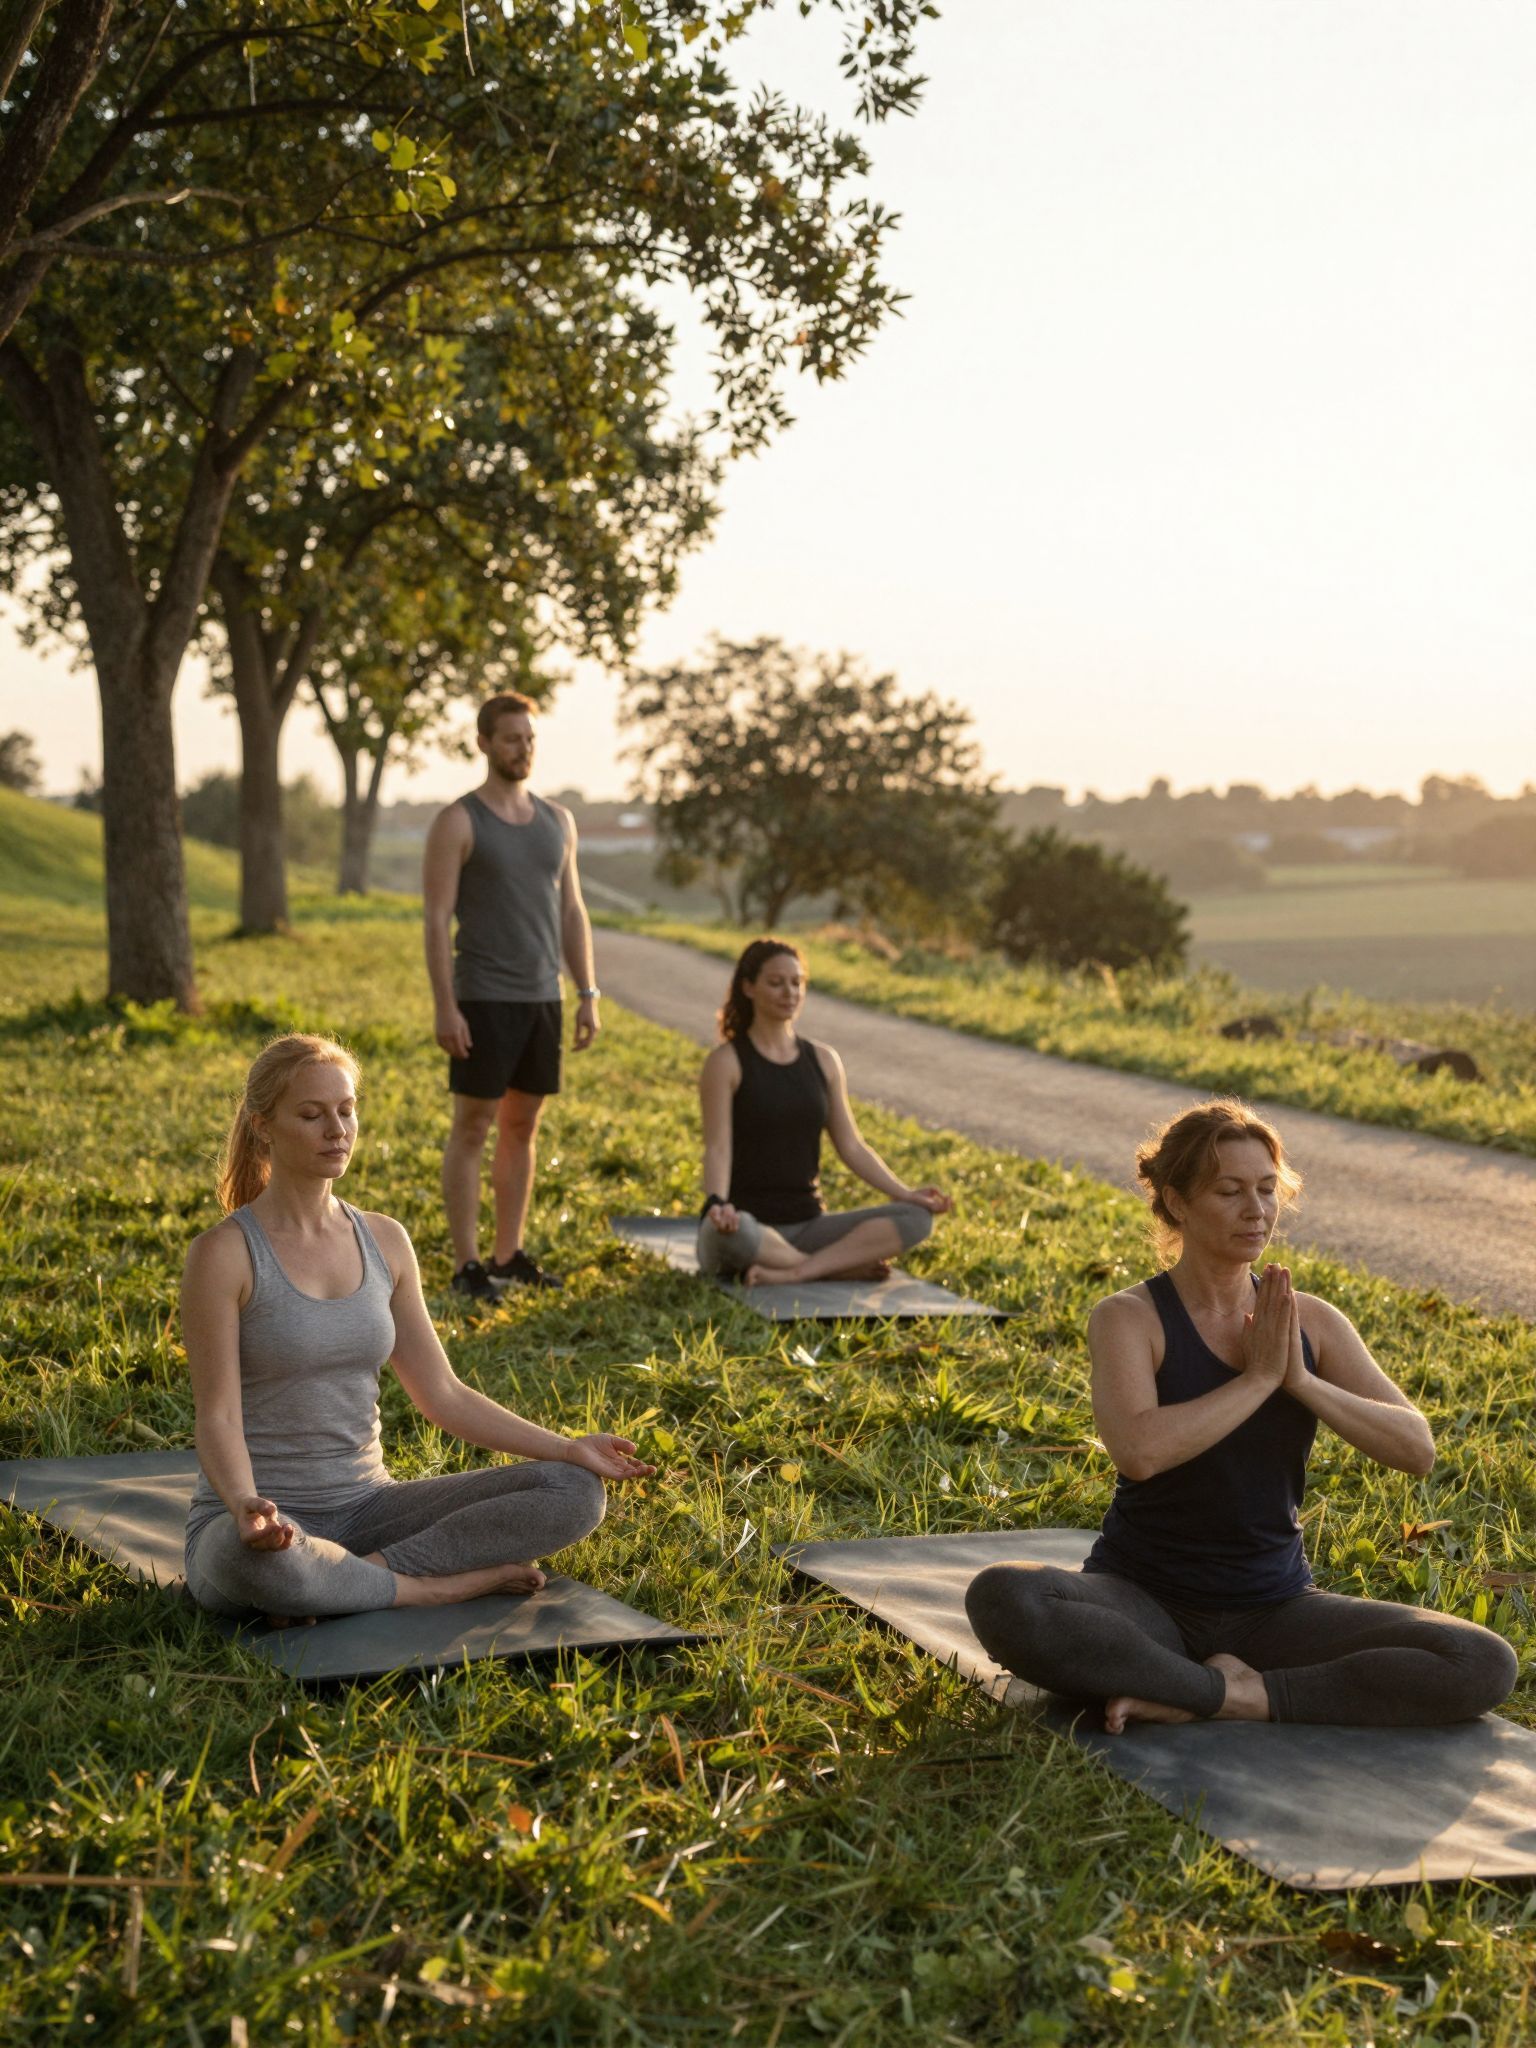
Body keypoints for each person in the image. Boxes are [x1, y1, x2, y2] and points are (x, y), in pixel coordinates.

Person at [964, 1099, 1516, 1731]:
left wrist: (1300, 1380)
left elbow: (1415, 1449)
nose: (1256, 1210)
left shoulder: (1310, 1322)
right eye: (1230, 1191)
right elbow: (1139, 1453)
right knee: (1007, 1597)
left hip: (1273, 1607)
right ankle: (1212, 1687)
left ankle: (1224, 1693)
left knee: (1480, 1659)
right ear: (1176, 1202)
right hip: (1145, 1600)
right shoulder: (1130, 1318)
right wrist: (1257, 1379)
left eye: (1266, 1189)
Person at [181, 1034, 651, 1627]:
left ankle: (352, 1580)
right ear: (264, 1126)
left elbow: (443, 1395)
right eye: (311, 1114)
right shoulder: (223, 1254)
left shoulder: (385, 1241)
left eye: (346, 1110)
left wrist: (567, 1447)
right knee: (252, 1566)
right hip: (262, 1521)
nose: (337, 1129)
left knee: (574, 1491)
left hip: (368, 1509)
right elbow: (216, 1416)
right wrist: (247, 1509)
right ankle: (431, 1588)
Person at [422, 691, 601, 1301]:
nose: (522, 748)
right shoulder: (459, 821)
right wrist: (445, 1006)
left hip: (541, 1000)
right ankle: (468, 1265)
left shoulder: (559, 821)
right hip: (483, 998)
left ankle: (508, 1253)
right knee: (472, 1127)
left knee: (522, 1128)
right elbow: (435, 917)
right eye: (510, 739)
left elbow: (572, 910)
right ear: (484, 744)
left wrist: (587, 991)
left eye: (529, 738)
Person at [696, 937, 952, 1287]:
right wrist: (717, 1205)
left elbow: (852, 1146)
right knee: (730, 1237)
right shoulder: (726, 1062)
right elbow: (717, 1148)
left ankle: (800, 1270)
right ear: (748, 987)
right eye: (776, 982)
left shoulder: (823, 1060)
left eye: (797, 983)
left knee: (916, 1218)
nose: (789, 992)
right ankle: (835, 1268)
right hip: (747, 1225)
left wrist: (903, 1193)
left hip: (810, 1226)